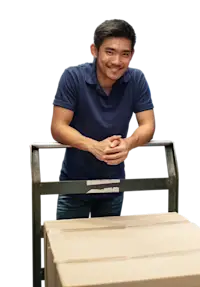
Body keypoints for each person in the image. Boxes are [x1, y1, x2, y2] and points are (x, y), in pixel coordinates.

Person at [50, 18, 156, 220]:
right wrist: (94, 147)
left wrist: (128, 143)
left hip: (113, 186)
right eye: (110, 52)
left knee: (111, 249)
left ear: (132, 55)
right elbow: (57, 127)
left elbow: (148, 125)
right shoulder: (72, 77)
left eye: (125, 54)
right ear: (94, 51)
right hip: (74, 185)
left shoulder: (137, 80)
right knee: (69, 248)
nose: (117, 61)